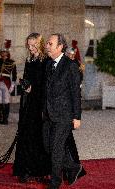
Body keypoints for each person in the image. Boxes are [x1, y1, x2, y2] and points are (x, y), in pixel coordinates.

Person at [43, 33, 84, 189]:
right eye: (47, 43)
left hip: (64, 115)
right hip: (48, 114)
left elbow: (76, 93)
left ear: (60, 47)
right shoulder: (48, 64)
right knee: (48, 146)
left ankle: (55, 183)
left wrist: (77, 117)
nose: (47, 46)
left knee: (56, 149)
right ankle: (73, 167)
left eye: (50, 43)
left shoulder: (71, 65)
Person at [13, 33, 51, 183]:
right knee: (26, 136)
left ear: (40, 44)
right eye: (29, 45)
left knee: (39, 137)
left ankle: (41, 171)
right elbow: (30, 78)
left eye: (34, 45)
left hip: (40, 104)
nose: (31, 48)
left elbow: (47, 85)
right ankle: (25, 170)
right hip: (28, 103)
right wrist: (24, 84)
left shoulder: (46, 61)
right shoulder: (30, 59)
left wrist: (33, 89)